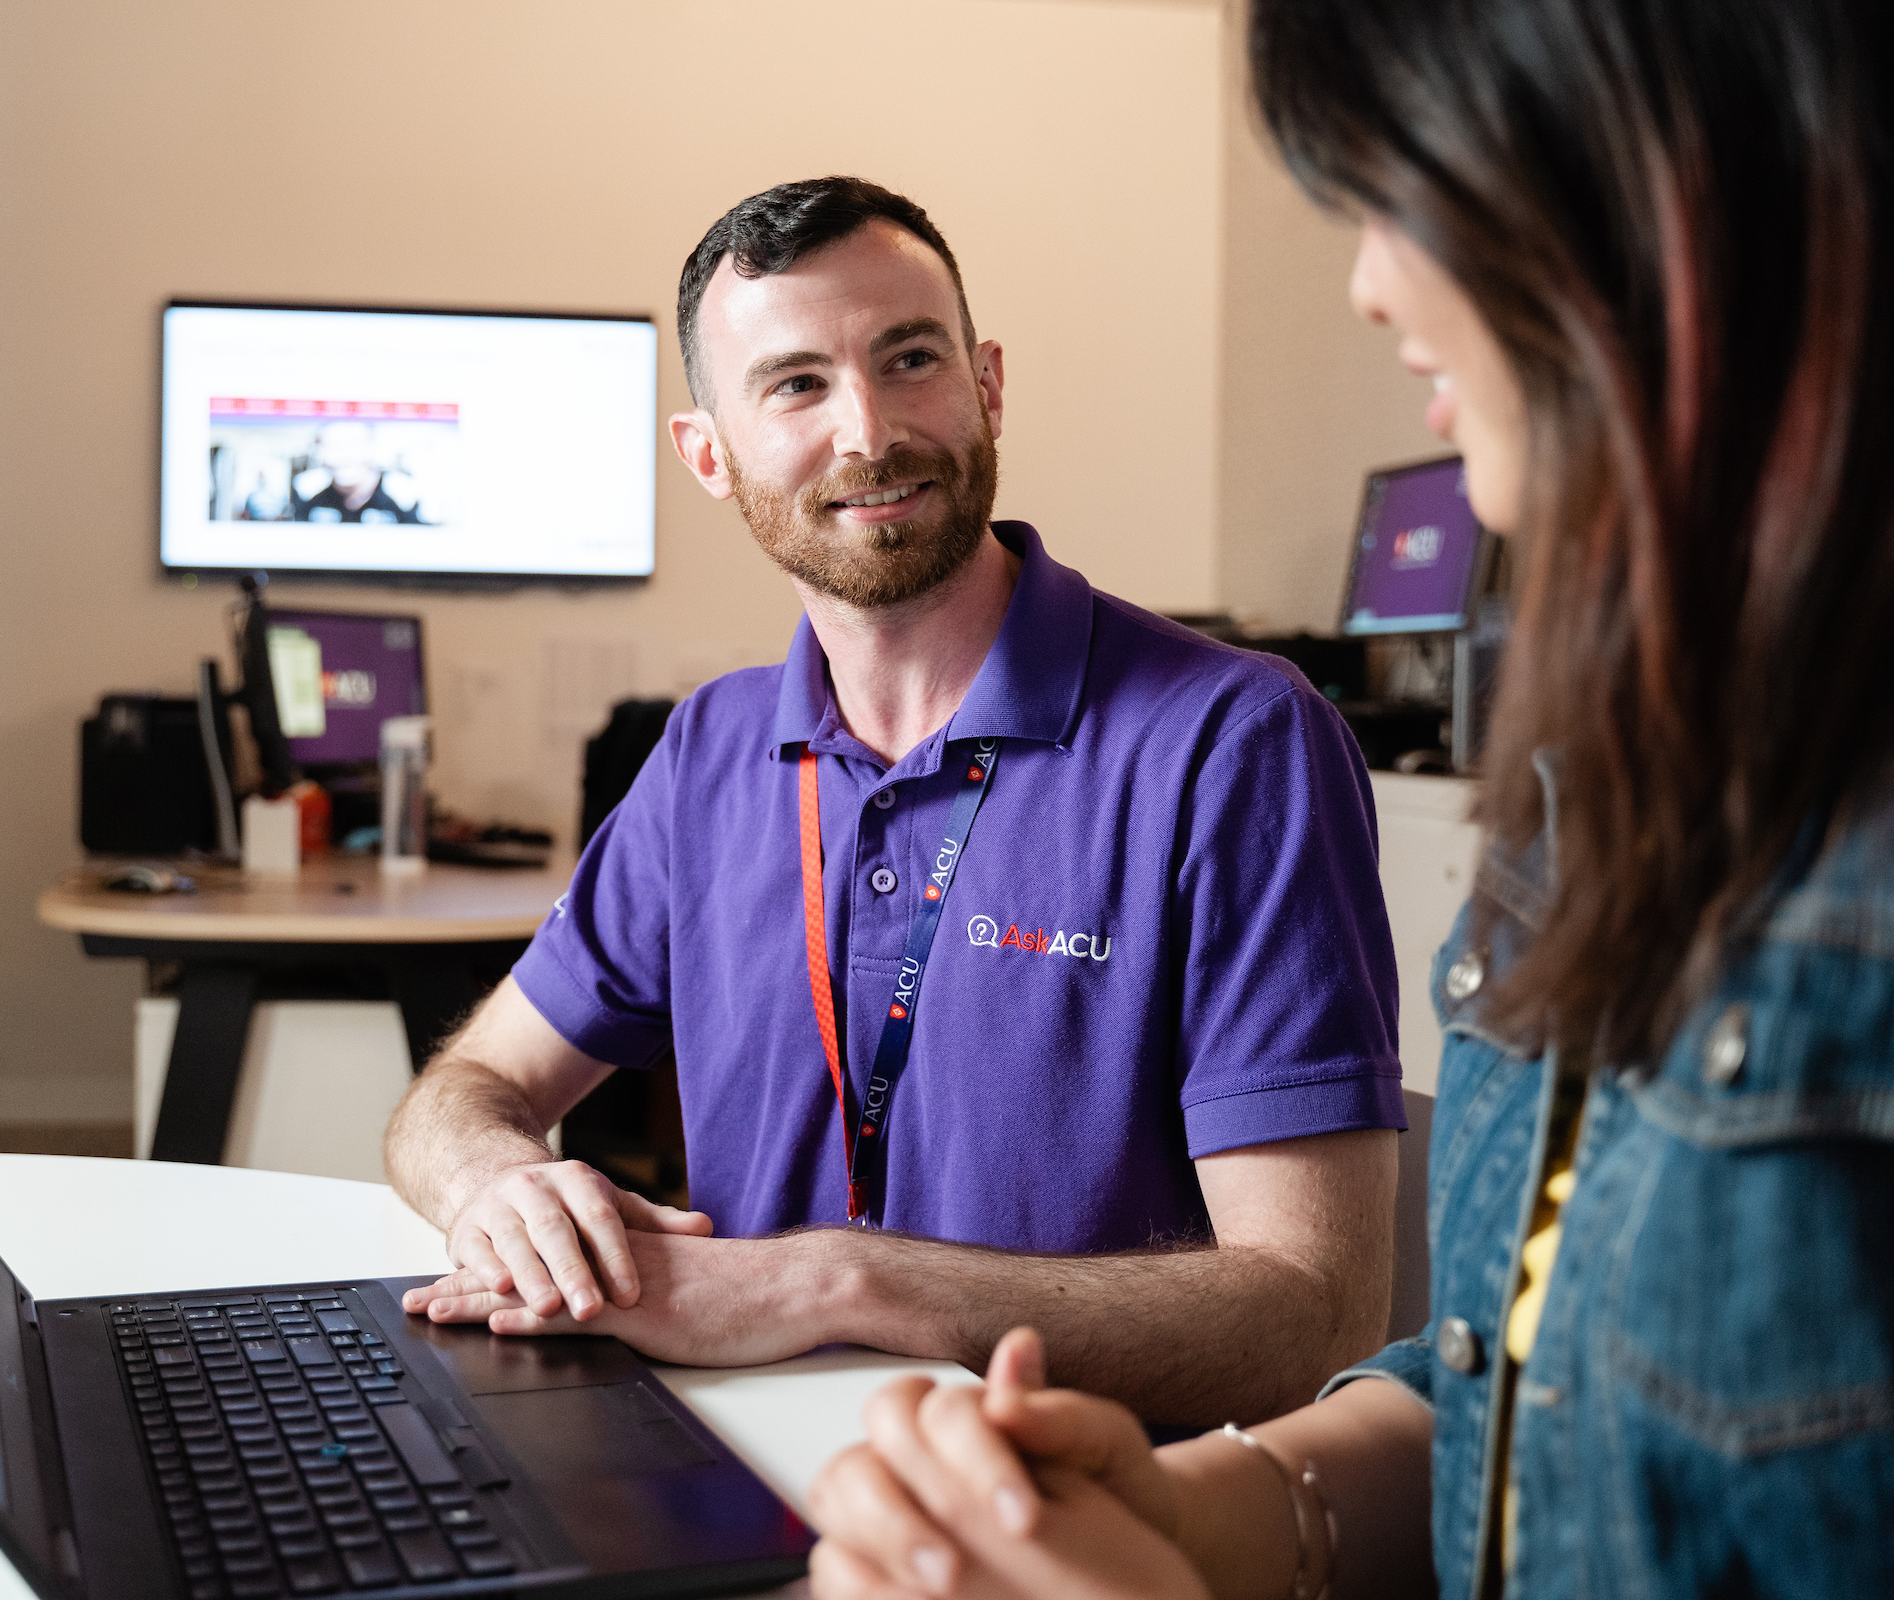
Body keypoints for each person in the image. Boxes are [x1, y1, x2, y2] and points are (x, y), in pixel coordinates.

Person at [804, 0, 1894, 1594]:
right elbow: (1522, 1389)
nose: (1372, 283)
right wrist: (1208, 1510)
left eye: (1404, 188)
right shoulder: (1606, 783)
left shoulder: (1232, 735)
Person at [381, 176, 1410, 1428]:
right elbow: (469, 1084)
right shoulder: (709, 749)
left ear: (986, 384)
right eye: (797, 384)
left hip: (1070, 1513)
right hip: (727, 1475)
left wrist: (835, 1280)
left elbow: (1317, 1310)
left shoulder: (1233, 740)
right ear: (711, 454)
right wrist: (496, 1181)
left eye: (908, 358)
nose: (868, 432)